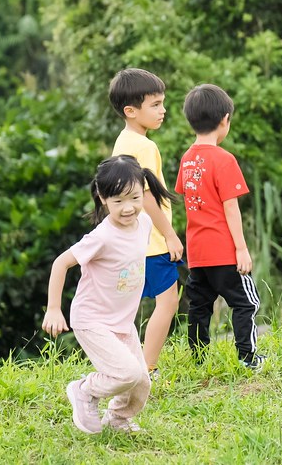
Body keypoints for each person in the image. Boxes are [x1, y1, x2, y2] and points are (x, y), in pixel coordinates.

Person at [42, 155, 174, 434]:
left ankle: (117, 419)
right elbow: (61, 263)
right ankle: (85, 390)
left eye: (135, 198)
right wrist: (54, 308)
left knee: (141, 382)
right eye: (118, 202)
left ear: (143, 190)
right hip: (92, 320)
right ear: (103, 198)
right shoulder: (102, 236)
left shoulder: (145, 223)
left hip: (122, 322)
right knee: (126, 373)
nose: (128, 208)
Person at [175, 84, 264, 370]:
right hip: (224, 252)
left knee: (199, 307)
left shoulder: (187, 160)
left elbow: (187, 196)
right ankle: (248, 358)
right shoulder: (224, 159)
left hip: (198, 253)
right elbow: (230, 207)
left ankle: (198, 359)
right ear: (225, 119)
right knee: (247, 303)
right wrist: (241, 248)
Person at [108, 68, 184, 379]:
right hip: (151, 241)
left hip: (130, 241)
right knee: (168, 302)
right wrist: (170, 235)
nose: (162, 110)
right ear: (131, 110)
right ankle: (146, 368)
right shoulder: (143, 146)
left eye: (162, 103)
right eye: (155, 104)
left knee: (127, 308)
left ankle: (125, 366)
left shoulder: (124, 142)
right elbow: (146, 196)